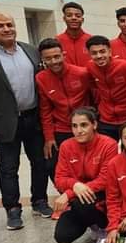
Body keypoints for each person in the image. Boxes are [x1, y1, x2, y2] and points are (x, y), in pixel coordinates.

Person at [0, 12, 52, 230]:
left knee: (39, 162)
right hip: (3, 122)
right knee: (8, 167)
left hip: (33, 118)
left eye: (9, 24)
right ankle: (13, 209)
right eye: (0, 26)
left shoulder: (31, 51)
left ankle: (40, 201)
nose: (6, 29)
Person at [52, 107, 118, 243]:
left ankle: (103, 226)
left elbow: (105, 179)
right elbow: (59, 179)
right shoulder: (66, 146)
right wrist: (75, 185)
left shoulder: (109, 144)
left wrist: (69, 193)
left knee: (81, 204)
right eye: (74, 126)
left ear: (94, 125)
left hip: (102, 197)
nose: (79, 130)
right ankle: (91, 224)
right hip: (78, 198)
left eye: (84, 125)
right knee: (62, 236)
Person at [35, 38, 91, 186]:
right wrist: (49, 137)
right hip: (61, 128)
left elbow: (94, 98)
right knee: (52, 165)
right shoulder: (41, 78)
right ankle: (67, 193)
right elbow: (45, 110)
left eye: (56, 56)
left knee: (87, 164)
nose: (54, 62)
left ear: (63, 55)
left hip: (85, 126)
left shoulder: (81, 73)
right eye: (48, 58)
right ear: (42, 59)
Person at [85, 35, 126, 141]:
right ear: (89, 54)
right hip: (106, 119)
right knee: (107, 149)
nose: (99, 56)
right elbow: (91, 83)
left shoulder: (125, 66)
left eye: (102, 51)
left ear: (110, 51)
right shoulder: (90, 67)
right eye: (94, 53)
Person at [56, 2, 92, 67]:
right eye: (69, 15)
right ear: (64, 18)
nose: (74, 18)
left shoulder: (91, 40)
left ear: (82, 20)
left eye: (78, 16)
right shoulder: (57, 41)